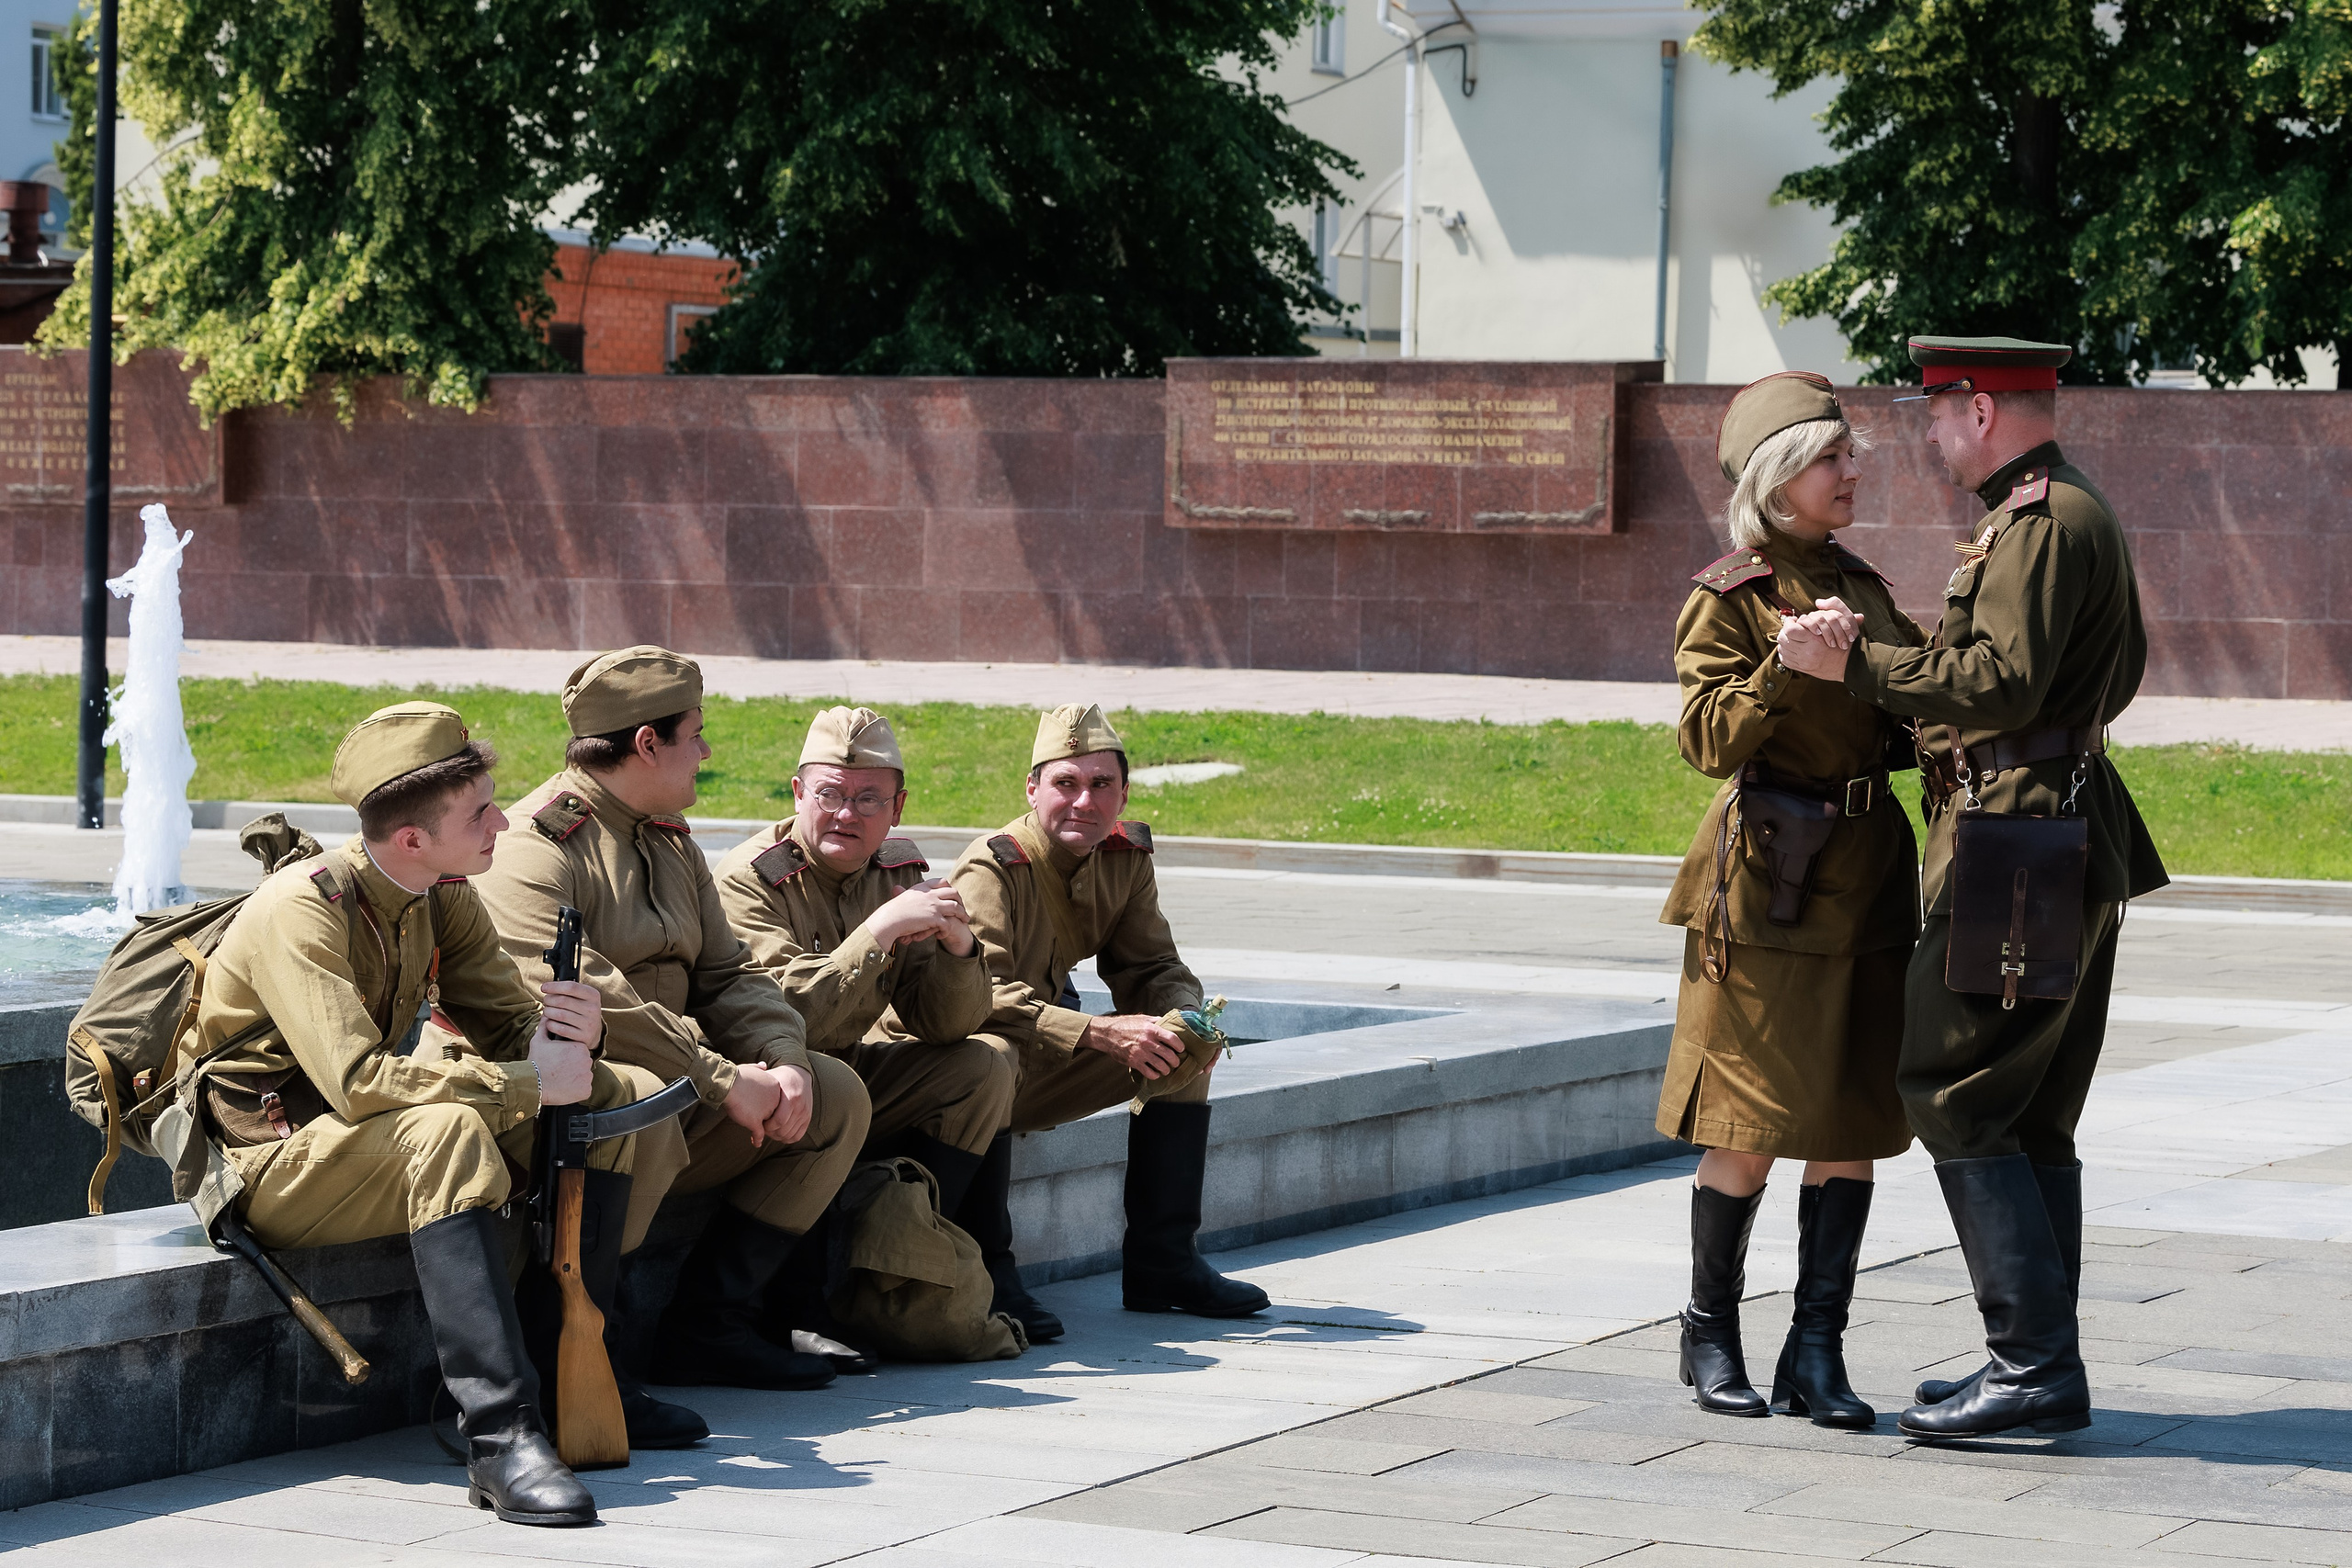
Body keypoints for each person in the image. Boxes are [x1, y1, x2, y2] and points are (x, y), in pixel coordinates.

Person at [164, 702, 701, 1526]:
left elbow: (507, 1021)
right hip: (266, 1162)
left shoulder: (438, 892)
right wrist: (531, 1083)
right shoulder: (300, 909)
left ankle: (575, 1370)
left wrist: (569, 1035)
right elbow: (359, 1082)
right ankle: (499, 1436)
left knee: (615, 1093)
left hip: (355, 1143)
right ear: (412, 838)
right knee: (446, 1129)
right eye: (480, 811)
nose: (502, 820)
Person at [1775, 336, 2168, 1439]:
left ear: (1983, 410)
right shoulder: (2058, 511)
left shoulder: (2041, 523)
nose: (1932, 436)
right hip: (2049, 825)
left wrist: (1848, 664)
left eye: (1938, 416)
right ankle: (2036, 1356)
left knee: (1950, 1080)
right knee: (2029, 1108)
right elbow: (2107, 671)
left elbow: (1997, 682)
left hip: (2019, 835)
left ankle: (2033, 1364)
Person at [472, 647, 871, 1393]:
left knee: (833, 1090)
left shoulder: (668, 838)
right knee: (639, 1107)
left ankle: (709, 1324)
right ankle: (591, 1362)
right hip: (562, 1114)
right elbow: (589, 997)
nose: (707, 749)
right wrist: (723, 1081)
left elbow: (729, 974)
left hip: (671, 1096)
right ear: (647, 743)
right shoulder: (534, 845)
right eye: (694, 733)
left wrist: (782, 1056)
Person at [1656, 372, 1928, 1429]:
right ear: (1778, 478)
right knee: (1752, 1119)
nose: (1852, 471)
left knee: (1849, 1114)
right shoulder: (1727, 595)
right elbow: (1707, 741)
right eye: (1832, 457)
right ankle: (1709, 1329)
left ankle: (1817, 1350)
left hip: (1865, 874)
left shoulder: (1858, 583)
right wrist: (1783, 668)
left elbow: (1908, 708)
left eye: (1849, 455)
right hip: (1767, 879)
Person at [947, 704, 1270, 1342]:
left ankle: (1163, 1263)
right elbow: (977, 994)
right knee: (992, 1054)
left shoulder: (1124, 859)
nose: (1083, 802)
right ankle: (994, 1270)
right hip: (971, 1074)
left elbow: (1153, 965)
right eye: (1066, 783)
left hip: (1042, 1062)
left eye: (1101, 785)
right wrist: (1095, 1032)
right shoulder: (994, 866)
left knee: (1180, 1046)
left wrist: (1185, 1017)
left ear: (1123, 794)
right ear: (1032, 788)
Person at [712, 705, 1015, 1334]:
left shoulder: (896, 873)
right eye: (830, 794)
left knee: (982, 1067)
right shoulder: (750, 880)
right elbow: (779, 1014)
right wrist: (877, 933)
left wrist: (960, 949)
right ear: (798, 792)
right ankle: (793, 1306)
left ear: (897, 808)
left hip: (847, 1075)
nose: (847, 814)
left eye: (868, 798)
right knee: (829, 1081)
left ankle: (909, 1266)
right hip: (760, 1082)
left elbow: (942, 1026)